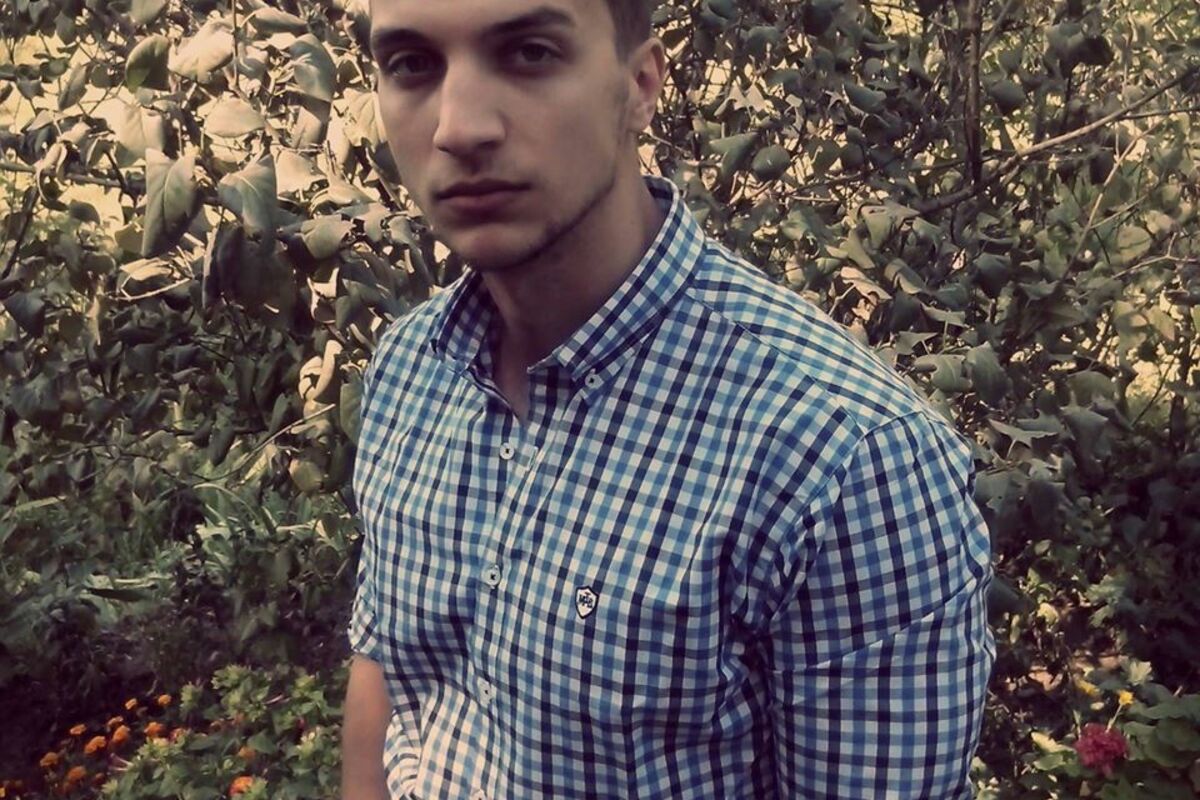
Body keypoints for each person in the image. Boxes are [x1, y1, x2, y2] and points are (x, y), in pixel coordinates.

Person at [341, 0, 996, 797]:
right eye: (412, 65)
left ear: (641, 84)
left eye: (529, 53)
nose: (459, 127)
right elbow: (388, 674)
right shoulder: (411, 368)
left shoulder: (845, 459)